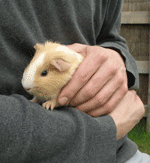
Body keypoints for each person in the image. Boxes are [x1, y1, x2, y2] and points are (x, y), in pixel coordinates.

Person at [0, 0, 149, 162]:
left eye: (43, 73)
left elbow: (110, 37)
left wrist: (118, 58)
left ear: (60, 67)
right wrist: (102, 132)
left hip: (117, 152)